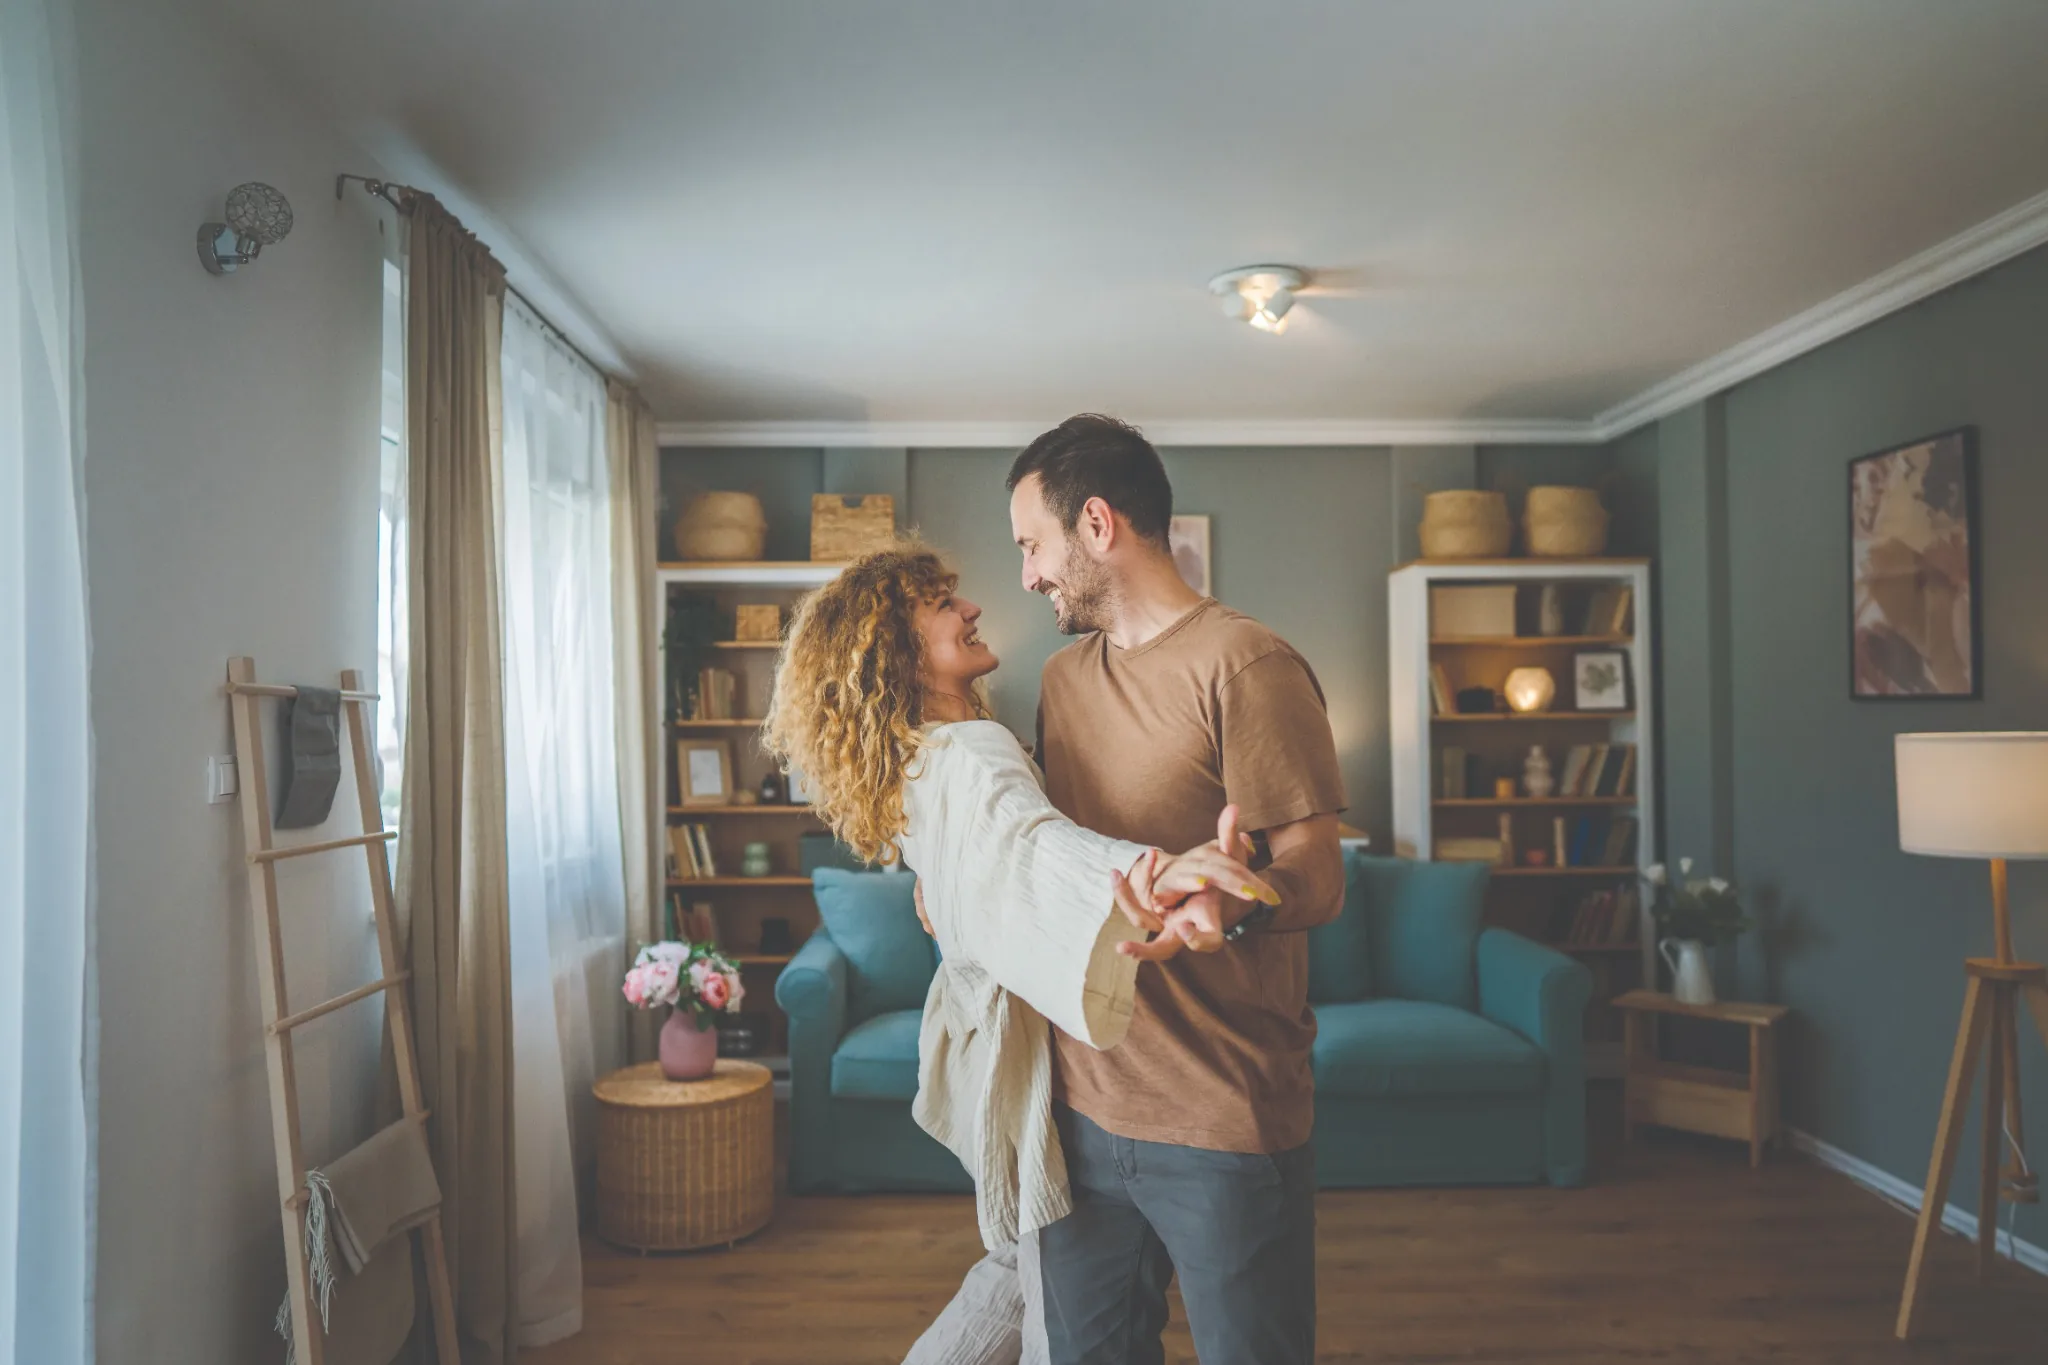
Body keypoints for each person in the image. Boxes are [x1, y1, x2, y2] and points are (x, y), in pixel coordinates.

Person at [760, 543, 1277, 1365]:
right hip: (1020, 1050)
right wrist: (1156, 872)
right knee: (1049, 1307)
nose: (970, 608)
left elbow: (990, 857)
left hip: (990, 1038)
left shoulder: (930, 748)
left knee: (1024, 1261)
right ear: (893, 648)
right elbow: (1032, 846)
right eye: (941, 603)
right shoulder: (969, 752)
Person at [1014, 414, 1347, 1365]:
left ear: (1097, 523)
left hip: (1225, 1118)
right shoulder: (1061, 678)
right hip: (1081, 1111)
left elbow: (1321, 869)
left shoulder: (1247, 663)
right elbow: (1046, 849)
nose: (1029, 573)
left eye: (1033, 544)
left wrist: (1233, 901)